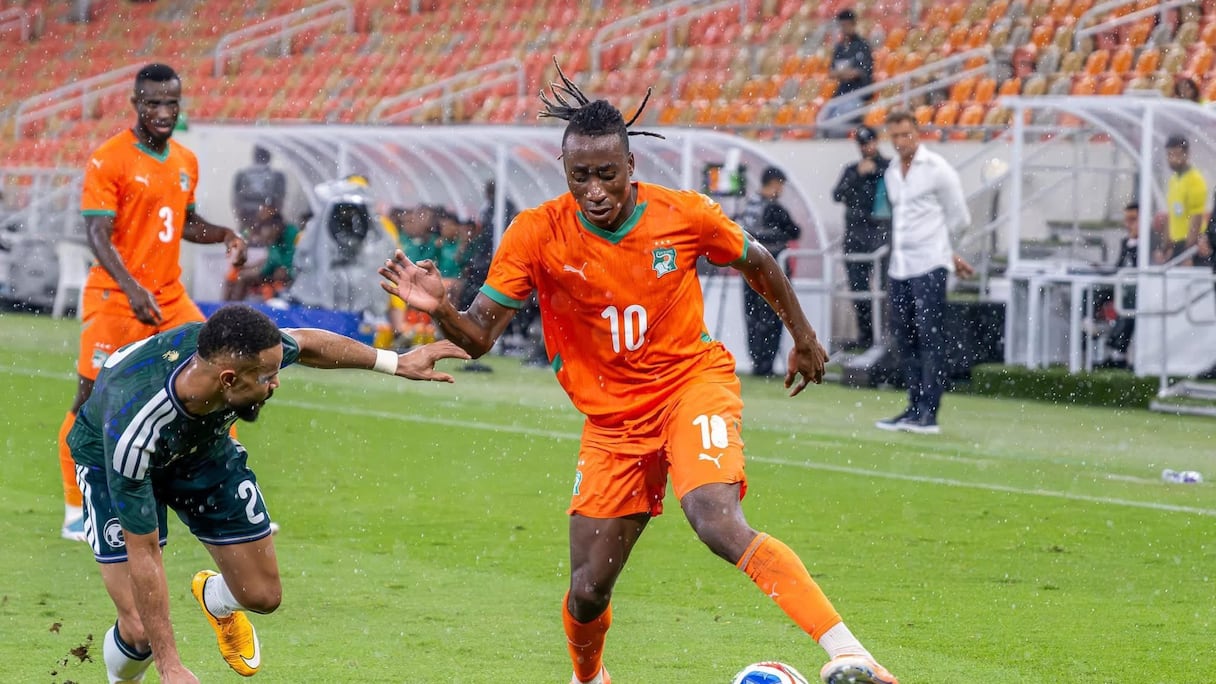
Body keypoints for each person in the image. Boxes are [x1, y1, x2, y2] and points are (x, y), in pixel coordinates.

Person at [379, 62, 898, 684]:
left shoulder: (683, 215)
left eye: (607, 174)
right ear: (564, 170)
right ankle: (589, 679)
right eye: (580, 176)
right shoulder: (536, 234)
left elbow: (758, 260)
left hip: (690, 386)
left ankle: (853, 654)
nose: (594, 190)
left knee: (715, 518)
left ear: (630, 166)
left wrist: (805, 337)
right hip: (611, 424)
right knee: (587, 591)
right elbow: (480, 336)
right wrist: (441, 310)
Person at [68, 304, 468, 684]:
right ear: (228, 380)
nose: (276, 383)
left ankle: (215, 598)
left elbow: (306, 343)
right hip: (110, 463)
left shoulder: (245, 354)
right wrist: (169, 665)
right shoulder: (135, 428)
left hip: (201, 451)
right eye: (267, 378)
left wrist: (396, 362)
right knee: (140, 632)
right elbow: (144, 551)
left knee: (262, 595)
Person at [57, 63, 249, 542]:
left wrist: (225, 234)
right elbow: (97, 233)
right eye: (153, 103)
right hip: (115, 298)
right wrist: (131, 288)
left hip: (169, 297)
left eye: (171, 103)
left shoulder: (184, 160)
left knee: (222, 374)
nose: (163, 112)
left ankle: (225, 493)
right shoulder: (109, 159)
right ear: (136, 104)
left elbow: (184, 222)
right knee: (90, 400)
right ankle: (76, 507)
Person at [875, 108, 974, 436]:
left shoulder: (938, 169)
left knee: (930, 336)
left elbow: (960, 218)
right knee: (904, 337)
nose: (901, 141)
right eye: (895, 136)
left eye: (906, 134)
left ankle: (929, 413)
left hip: (930, 265)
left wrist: (947, 251)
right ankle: (913, 406)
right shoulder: (891, 172)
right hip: (900, 266)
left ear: (918, 134)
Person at [734, 165, 802, 376]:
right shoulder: (773, 208)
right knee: (773, 316)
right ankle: (766, 364)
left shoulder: (749, 205)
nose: (780, 190)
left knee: (752, 316)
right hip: (772, 268)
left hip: (748, 268)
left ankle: (757, 361)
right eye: (780, 186)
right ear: (774, 184)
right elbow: (795, 231)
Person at [831, 125, 892, 350]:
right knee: (859, 288)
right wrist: (858, 175)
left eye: (869, 142)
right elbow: (837, 194)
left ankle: (887, 337)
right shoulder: (852, 169)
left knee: (886, 289)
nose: (866, 147)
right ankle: (866, 336)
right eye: (862, 144)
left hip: (881, 233)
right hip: (855, 235)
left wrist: (875, 171)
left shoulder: (889, 168)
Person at [1098, 202, 1144, 369]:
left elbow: (1139, 265)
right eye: (1127, 220)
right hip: (1123, 285)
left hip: (1137, 288)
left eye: (1133, 219)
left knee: (1128, 306)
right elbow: (1119, 266)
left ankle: (1119, 353)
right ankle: (1088, 322)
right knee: (1095, 292)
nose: (1128, 224)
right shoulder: (1125, 241)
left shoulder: (1147, 242)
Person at [821, 9, 874, 137]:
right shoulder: (840, 47)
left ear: (853, 24)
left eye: (847, 25)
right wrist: (845, 72)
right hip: (841, 93)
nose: (844, 28)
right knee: (821, 119)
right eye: (842, 25)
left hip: (858, 94)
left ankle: (835, 146)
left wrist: (842, 73)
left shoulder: (862, 45)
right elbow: (831, 73)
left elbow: (858, 72)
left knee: (836, 123)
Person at [1164, 134, 1207, 266]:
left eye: (1176, 154)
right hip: (1177, 243)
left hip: (1190, 243)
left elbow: (1196, 217)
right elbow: (1171, 215)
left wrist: (1188, 253)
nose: (1173, 159)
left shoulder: (1195, 179)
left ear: (1186, 154)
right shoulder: (1174, 180)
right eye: (1169, 155)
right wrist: (1166, 246)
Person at [231, 146, 287, 234]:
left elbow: (236, 201)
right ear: (269, 156)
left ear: (254, 156)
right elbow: (279, 201)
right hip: (267, 218)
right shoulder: (277, 176)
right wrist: (268, 214)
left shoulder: (241, 174)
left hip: (248, 217)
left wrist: (244, 217)